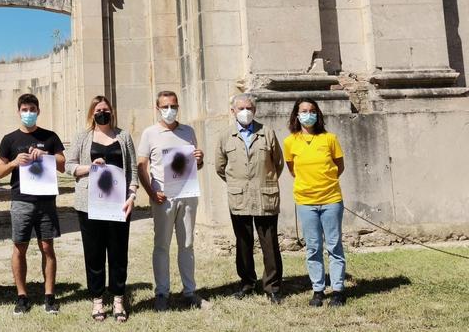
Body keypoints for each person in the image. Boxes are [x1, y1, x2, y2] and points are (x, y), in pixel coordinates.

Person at [65, 96, 138, 322]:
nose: (102, 113)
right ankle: (97, 300)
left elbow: (133, 170)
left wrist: (132, 195)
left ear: (111, 111)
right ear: (92, 113)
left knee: (118, 253)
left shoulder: (123, 136)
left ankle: (118, 299)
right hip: (89, 205)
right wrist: (88, 168)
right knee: (94, 253)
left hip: (119, 204)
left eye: (105, 109)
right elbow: (69, 166)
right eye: (98, 110)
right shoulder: (82, 136)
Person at [0, 93, 66, 315]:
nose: (28, 113)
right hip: (21, 201)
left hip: (46, 200)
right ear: (18, 112)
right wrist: (15, 162)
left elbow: (63, 165)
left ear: (38, 111)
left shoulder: (50, 136)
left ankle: (49, 296)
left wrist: (47, 155)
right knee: (19, 247)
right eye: (24, 110)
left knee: (47, 247)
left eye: (32, 109)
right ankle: (22, 296)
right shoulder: (9, 139)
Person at [137, 90, 205, 311]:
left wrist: (199, 160)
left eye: (173, 106)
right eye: (165, 106)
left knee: (187, 244)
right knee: (162, 246)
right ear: (158, 108)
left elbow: (196, 165)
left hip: (187, 194)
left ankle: (189, 291)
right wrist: (150, 191)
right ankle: (162, 293)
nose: (170, 110)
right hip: (162, 198)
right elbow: (141, 166)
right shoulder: (149, 133)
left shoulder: (188, 131)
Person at [214, 94, 285, 304]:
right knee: (243, 242)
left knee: (269, 242)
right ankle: (247, 282)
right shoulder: (225, 135)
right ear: (233, 111)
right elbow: (220, 167)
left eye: (249, 108)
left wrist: (265, 180)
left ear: (254, 110)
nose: (245, 111)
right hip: (239, 197)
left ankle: (272, 286)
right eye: (241, 108)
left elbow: (278, 163)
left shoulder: (267, 132)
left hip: (265, 194)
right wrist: (238, 183)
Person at [283, 97, 347, 307]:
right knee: (313, 247)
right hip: (305, 202)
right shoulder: (290, 142)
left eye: (311, 110)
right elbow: (293, 170)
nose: (307, 114)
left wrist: (325, 183)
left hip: (331, 200)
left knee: (334, 245)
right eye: (303, 111)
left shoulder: (330, 138)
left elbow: (339, 166)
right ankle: (318, 290)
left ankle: (337, 289)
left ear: (317, 114)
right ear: (296, 115)